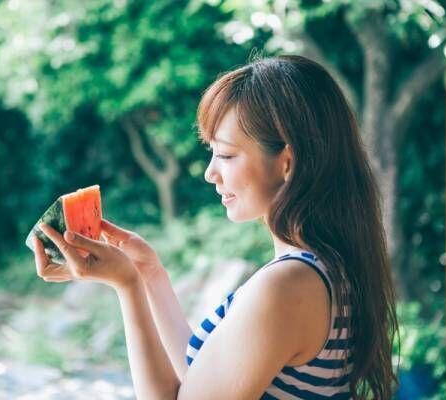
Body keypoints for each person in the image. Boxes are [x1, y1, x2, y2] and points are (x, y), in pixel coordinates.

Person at [34, 55, 399, 399]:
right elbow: (201, 382)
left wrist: (127, 286)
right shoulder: (325, 269)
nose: (210, 173)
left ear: (287, 162)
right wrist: (148, 273)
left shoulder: (286, 286)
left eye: (225, 155)